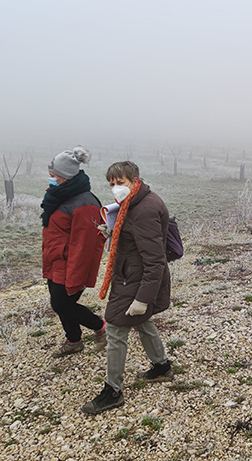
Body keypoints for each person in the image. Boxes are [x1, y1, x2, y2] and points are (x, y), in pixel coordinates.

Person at [82, 161, 173, 414]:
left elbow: (155, 261)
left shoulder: (144, 209)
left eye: (120, 182)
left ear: (134, 180)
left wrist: (143, 298)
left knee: (114, 327)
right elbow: (137, 238)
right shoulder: (133, 203)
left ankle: (113, 391)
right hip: (128, 275)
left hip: (136, 279)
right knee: (142, 321)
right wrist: (113, 233)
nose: (115, 188)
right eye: (111, 184)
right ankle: (161, 367)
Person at [41, 146, 107, 358]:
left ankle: (101, 327)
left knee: (61, 303)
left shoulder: (84, 204)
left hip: (70, 265)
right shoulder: (61, 195)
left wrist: (75, 278)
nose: (51, 180)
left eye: (54, 176)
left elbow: (85, 247)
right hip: (57, 261)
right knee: (60, 304)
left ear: (66, 176)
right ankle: (74, 341)